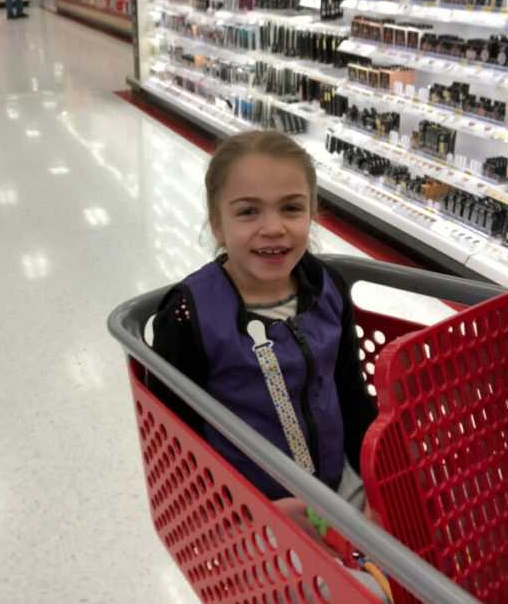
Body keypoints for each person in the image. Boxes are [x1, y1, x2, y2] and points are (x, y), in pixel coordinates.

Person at [148, 130, 390, 601]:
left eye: (292, 208)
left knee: (415, 564)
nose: (274, 227)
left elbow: (352, 395)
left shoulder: (327, 288)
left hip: (339, 483)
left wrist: (378, 486)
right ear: (217, 223)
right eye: (248, 211)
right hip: (250, 507)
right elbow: (174, 444)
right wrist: (236, 511)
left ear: (313, 213)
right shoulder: (189, 315)